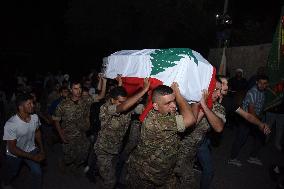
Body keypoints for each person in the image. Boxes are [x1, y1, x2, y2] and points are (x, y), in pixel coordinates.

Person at [126, 83, 197, 188]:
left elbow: (189, 122)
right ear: (155, 105)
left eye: (174, 101)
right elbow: (190, 119)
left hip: (164, 170)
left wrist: (196, 102)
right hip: (147, 174)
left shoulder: (166, 114)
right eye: (168, 103)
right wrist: (177, 94)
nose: (173, 105)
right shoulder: (158, 122)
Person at [94, 78, 150, 189]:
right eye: (120, 101)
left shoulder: (126, 107)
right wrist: (143, 90)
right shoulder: (106, 108)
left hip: (115, 148)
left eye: (124, 101)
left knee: (109, 173)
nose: (123, 103)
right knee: (110, 180)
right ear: (112, 100)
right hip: (103, 149)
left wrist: (148, 95)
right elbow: (123, 106)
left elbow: (144, 109)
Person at [175, 78, 226, 189]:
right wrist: (200, 106)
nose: (218, 93)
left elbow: (219, 127)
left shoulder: (218, 107)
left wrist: (205, 107)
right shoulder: (190, 102)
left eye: (220, 90)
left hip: (194, 150)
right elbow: (182, 128)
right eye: (216, 89)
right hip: (176, 150)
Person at [2, 93, 45, 189]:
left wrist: (41, 150)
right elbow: (12, 148)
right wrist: (32, 157)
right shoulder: (11, 124)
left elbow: (37, 132)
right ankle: (5, 183)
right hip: (14, 155)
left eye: (32, 103)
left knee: (37, 173)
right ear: (20, 107)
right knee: (12, 172)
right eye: (29, 104)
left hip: (31, 149)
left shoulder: (35, 117)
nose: (33, 105)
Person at [52, 80, 92, 173]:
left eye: (80, 88)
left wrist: (103, 80)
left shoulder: (85, 100)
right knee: (69, 155)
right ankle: (63, 162)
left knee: (83, 152)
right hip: (68, 134)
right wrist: (61, 135)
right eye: (75, 88)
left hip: (82, 133)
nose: (78, 91)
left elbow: (101, 96)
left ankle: (75, 165)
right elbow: (56, 120)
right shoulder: (63, 104)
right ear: (71, 89)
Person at [229, 75, 269, 166]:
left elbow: (259, 106)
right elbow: (251, 111)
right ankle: (232, 158)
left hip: (255, 118)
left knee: (260, 138)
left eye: (265, 83)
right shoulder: (252, 93)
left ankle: (252, 157)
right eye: (260, 83)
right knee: (241, 139)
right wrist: (259, 124)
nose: (262, 85)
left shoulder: (263, 92)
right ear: (256, 82)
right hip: (246, 119)